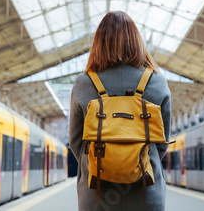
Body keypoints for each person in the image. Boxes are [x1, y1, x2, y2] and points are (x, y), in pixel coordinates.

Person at [69, 11, 171, 211]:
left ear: (99, 42)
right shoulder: (157, 82)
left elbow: (76, 142)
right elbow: (162, 143)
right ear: (136, 41)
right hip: (147, 192)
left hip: (96, 195)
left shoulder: (84, 83)